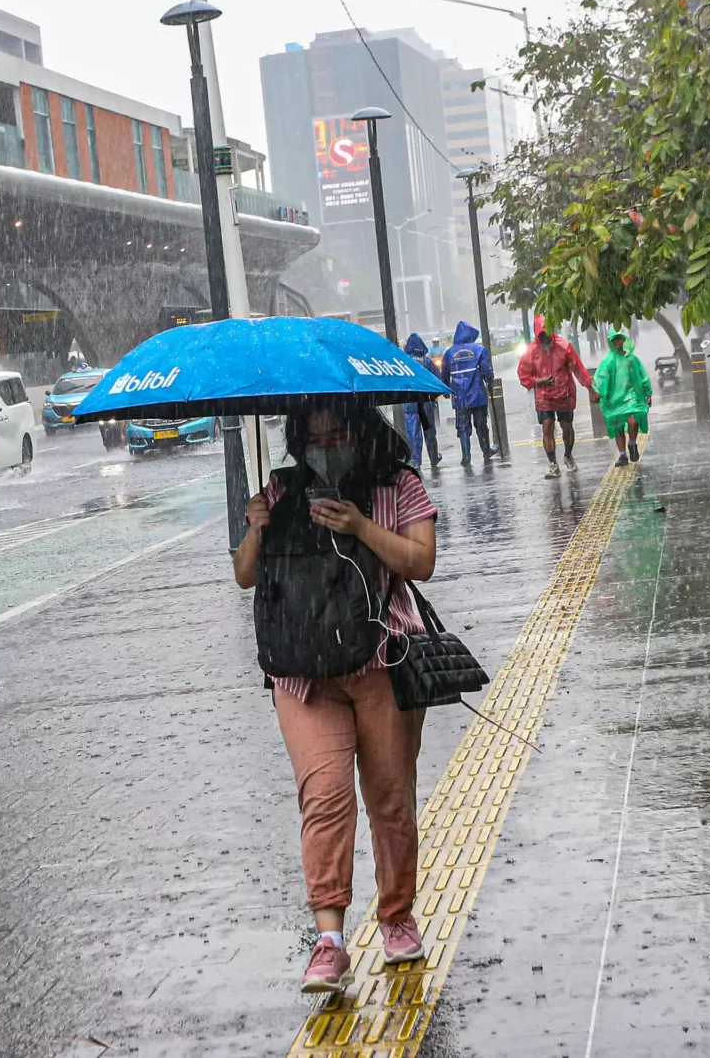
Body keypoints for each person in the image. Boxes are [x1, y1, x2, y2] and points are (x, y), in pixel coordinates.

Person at [233, 404, 439, 992]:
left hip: (381, 662)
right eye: (313, 436)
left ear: (361, 430)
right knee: (324, 798)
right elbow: (246, 576)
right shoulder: (282, 490)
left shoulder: (398, 484)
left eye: (337, 433)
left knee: (390, 798)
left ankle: (396, 916)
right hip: (303, 673)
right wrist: (256, 528)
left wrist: (360, 527)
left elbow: (421, 561)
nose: (325, 446)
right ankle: (330, 941)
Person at [517, 316, 594, 479]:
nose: (545, 338)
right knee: (547, 426)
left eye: (547, 334)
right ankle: (552, 463)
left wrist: (590, 388)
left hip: (564, 393)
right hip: (544, 396)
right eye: (541, 335)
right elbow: (523, 375)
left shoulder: (564, 347)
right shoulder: (531, 352)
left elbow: (578, 368)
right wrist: (539, 381)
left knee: (567, 427)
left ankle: (568, 455)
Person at [591, 327, 652, 466]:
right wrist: (598, 393)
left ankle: (632, 443)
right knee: (617, 427)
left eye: (619, 338)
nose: (617, 341)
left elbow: (642, 375)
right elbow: (601, 378)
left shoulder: (632, 358)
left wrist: (648, 392)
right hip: (614, 399)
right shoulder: (608, 361)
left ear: (624, 339)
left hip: (632, 397)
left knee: (633, 421)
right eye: (614, 339)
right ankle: (623, 455)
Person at [445, 321, 495, 464]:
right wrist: (490, 382)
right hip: (477, 395)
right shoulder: (479, 350)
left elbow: (444, 374)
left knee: (462, 426)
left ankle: (466, 456)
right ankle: (486, 451)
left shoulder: (449, 353)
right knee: (481, 424)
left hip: (459, 397)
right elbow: (486, 370)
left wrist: (446, 390)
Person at [400, 333, 442, 468]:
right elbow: (438, 380)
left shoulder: (403, 362)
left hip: (409, 401)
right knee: (429, 430)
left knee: (413, 432)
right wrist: (434, 396)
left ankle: (416, 461)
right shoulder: (427, 361)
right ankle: (434, 457)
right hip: (426, 401)